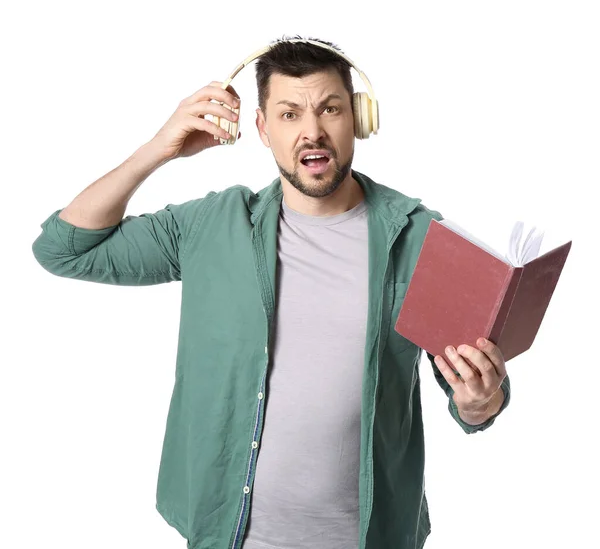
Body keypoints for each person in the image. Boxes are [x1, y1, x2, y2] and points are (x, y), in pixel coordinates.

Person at [32, 35, 511, 549]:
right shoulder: (210, 227)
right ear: (262, 128)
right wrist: (160, 149)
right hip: (232, 536)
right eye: (288, 114)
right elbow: (64, 249)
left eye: (330, 109)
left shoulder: (418, 237)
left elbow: (477, 396)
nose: (312, 132)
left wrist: (480, 401)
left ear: (359, 119)